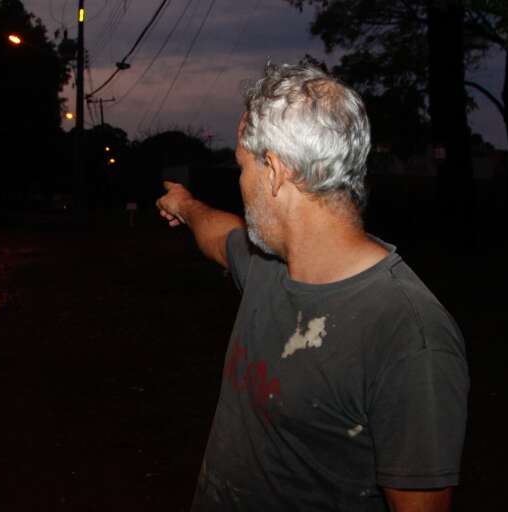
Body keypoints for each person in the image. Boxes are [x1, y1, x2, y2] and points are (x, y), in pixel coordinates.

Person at [156, 63, 469, 512]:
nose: (239, 183)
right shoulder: (271, 266)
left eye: (243, 167)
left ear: (276, 171)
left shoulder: (407, 334)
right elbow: (219, 236)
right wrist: (185, 205)